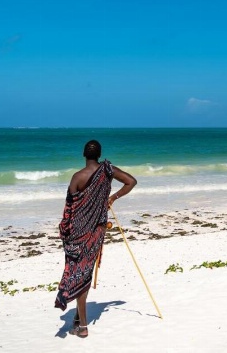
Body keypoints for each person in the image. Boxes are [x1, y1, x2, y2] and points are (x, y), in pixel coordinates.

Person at [54, 139, 137, 337]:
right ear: (99, 155)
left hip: (77, 234)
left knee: (79, 273)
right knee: (85, 273)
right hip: (97, 231)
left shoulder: (77, 177)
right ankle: (78, 318)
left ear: (84, 154)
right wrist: (112, 198)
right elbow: (131, 181)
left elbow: (69, 209)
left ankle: (82, 326)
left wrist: (65, 231)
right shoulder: (107, 170)